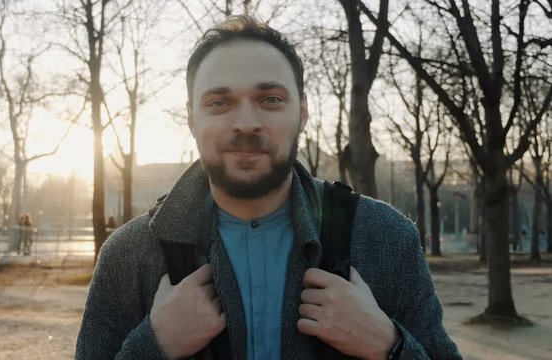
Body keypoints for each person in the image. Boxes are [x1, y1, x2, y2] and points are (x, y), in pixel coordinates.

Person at [76, 16, 461, 359]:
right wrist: (153, 347)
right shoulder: (127, 256)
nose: (246, 122)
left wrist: (388, 346)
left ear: (303, 112)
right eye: (219, 103)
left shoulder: (388, 238)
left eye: (271, 99)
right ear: (191, 118)